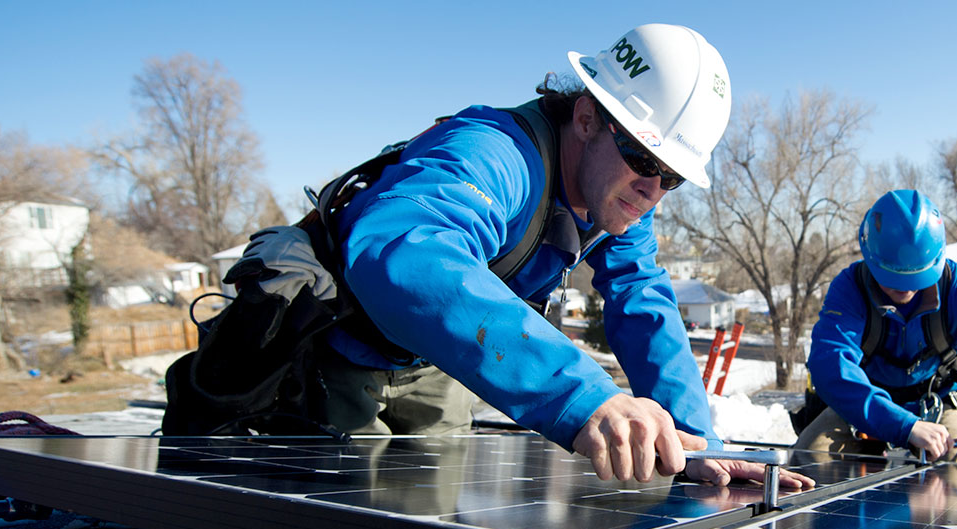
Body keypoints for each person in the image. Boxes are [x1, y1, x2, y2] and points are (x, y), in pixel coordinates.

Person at [242, 24, 810, 489]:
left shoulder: (622, 199)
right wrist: (584, 396)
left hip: (431, 360)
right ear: (587, 118)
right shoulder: (494, 153)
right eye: (643, 157)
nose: (652, 189)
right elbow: (405, 254)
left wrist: (694, 443)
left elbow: (643, 301)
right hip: (337, 345)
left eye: (673, 178)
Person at [795, 189, 957, 464]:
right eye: (892, 277)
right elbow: (830, 365)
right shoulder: (851, 289)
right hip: (864, 403)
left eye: (915, 278)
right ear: (870, 258)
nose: (904, 289)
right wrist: (903, 425)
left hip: (939, 401)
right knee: (810, 457)